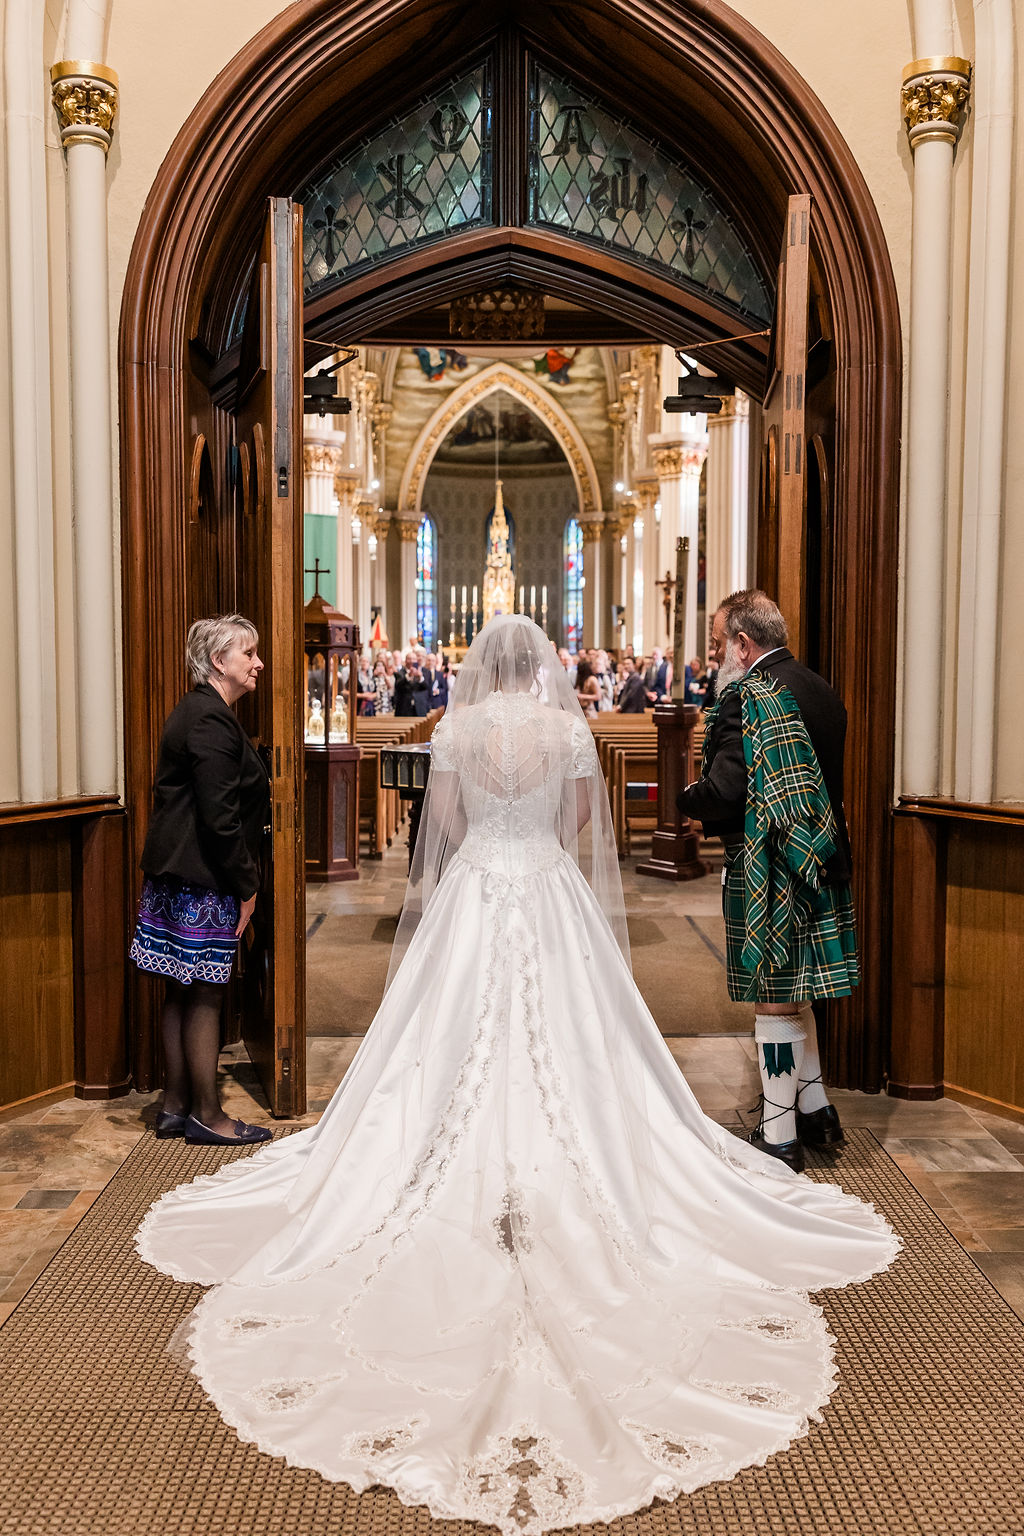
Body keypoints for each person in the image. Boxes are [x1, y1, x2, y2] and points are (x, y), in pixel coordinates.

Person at [137, 615, 897, 1533]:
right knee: (582, 1041)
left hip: (479, 887)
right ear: (537, 667)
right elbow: (580, 820)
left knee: (439, 1041)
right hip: (545, 887)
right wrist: (532, 832)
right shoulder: (569, 732)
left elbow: (445, 822)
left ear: (477, 670)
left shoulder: (455, 731)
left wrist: (492, 838)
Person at [677, 589, 858, 1173]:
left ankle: (779, 1136)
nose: (714, 656)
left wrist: (684, 800)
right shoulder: (822, 690)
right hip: (821, 858)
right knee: (799, 988)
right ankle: (816, 1109)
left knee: (774, 995)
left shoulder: (746, 698)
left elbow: (729, 792)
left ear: (742, 643)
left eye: (716, 644)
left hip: (770, 868)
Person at [129, 614, 272, 1148]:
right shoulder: (211, 720)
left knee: (180, 990)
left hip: (176, 875)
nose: (258, 663)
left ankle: (174, 1106)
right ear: (219, 662)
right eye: (249, 653)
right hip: (204, 878)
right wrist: (248, 885)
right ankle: (208, 1116)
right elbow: (219, 817)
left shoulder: (195, 711)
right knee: (206, 995)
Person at [393, 651, 430, 716]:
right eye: (409, 659)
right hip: (404, 709)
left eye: (413, 659)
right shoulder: (399, 672)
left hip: (419, 708)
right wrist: (408, 676)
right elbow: (398, 686)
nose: (411, 661)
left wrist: (420, 678)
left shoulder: (425, 672)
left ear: (416, 661)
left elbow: (427, 687)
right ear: (405, 660)